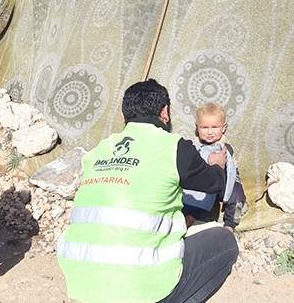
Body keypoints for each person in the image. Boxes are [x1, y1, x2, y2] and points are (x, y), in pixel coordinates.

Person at [57, 79, 239, 303]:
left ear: (123, 117)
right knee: (224, 240)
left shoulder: (98, 150)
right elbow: (213, 184)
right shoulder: (174, 146)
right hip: (143, 289)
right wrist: (216, 165)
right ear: (165, 112)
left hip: (83, 283)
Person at [182, 102, 247, 232]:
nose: (210, 132)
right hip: (204, 179)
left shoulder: (223, 146)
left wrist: (228, 192)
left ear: (223, 127)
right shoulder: (194, 145)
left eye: (215, 127)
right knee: (191, 195)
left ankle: (230, 225)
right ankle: (190, 217)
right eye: (205, 127)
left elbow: (230, 170)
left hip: (225, 180)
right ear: (197, 127)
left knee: (237, 194)